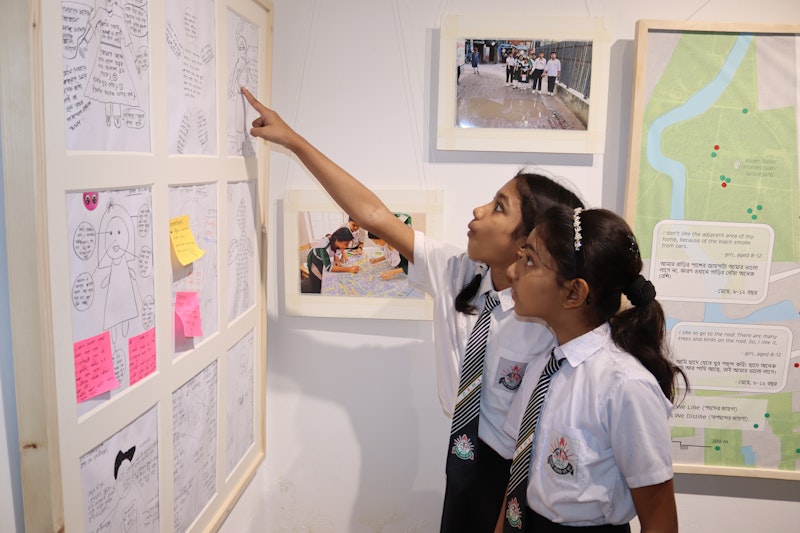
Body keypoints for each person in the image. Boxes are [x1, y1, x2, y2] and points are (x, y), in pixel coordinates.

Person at [241, 86, 584, 533]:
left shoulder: (550, 320)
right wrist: (294, 140)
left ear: (527, 243)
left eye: (499, 207)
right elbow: (375, 215)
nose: (478, 210)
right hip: (463, 455)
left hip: (523, 475)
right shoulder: (458, 271)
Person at [499, 205, 687, 532]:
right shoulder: (543, 367)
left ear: (574, 292)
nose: (513, 272)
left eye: (529, 260)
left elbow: (660, 520)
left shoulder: (624, 386)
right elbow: (517, 471)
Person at [303, 226, 360, 293]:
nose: (347, 246)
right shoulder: (323, 247)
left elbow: (337, 249)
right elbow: (328, 267)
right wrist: (349, 269)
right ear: (338, 241)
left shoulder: (335, 240)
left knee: (324, 274)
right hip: (314, 261)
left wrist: (336, 259)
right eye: (346, 244)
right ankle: (317, 293)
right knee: (318, 279)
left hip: (322, 258)